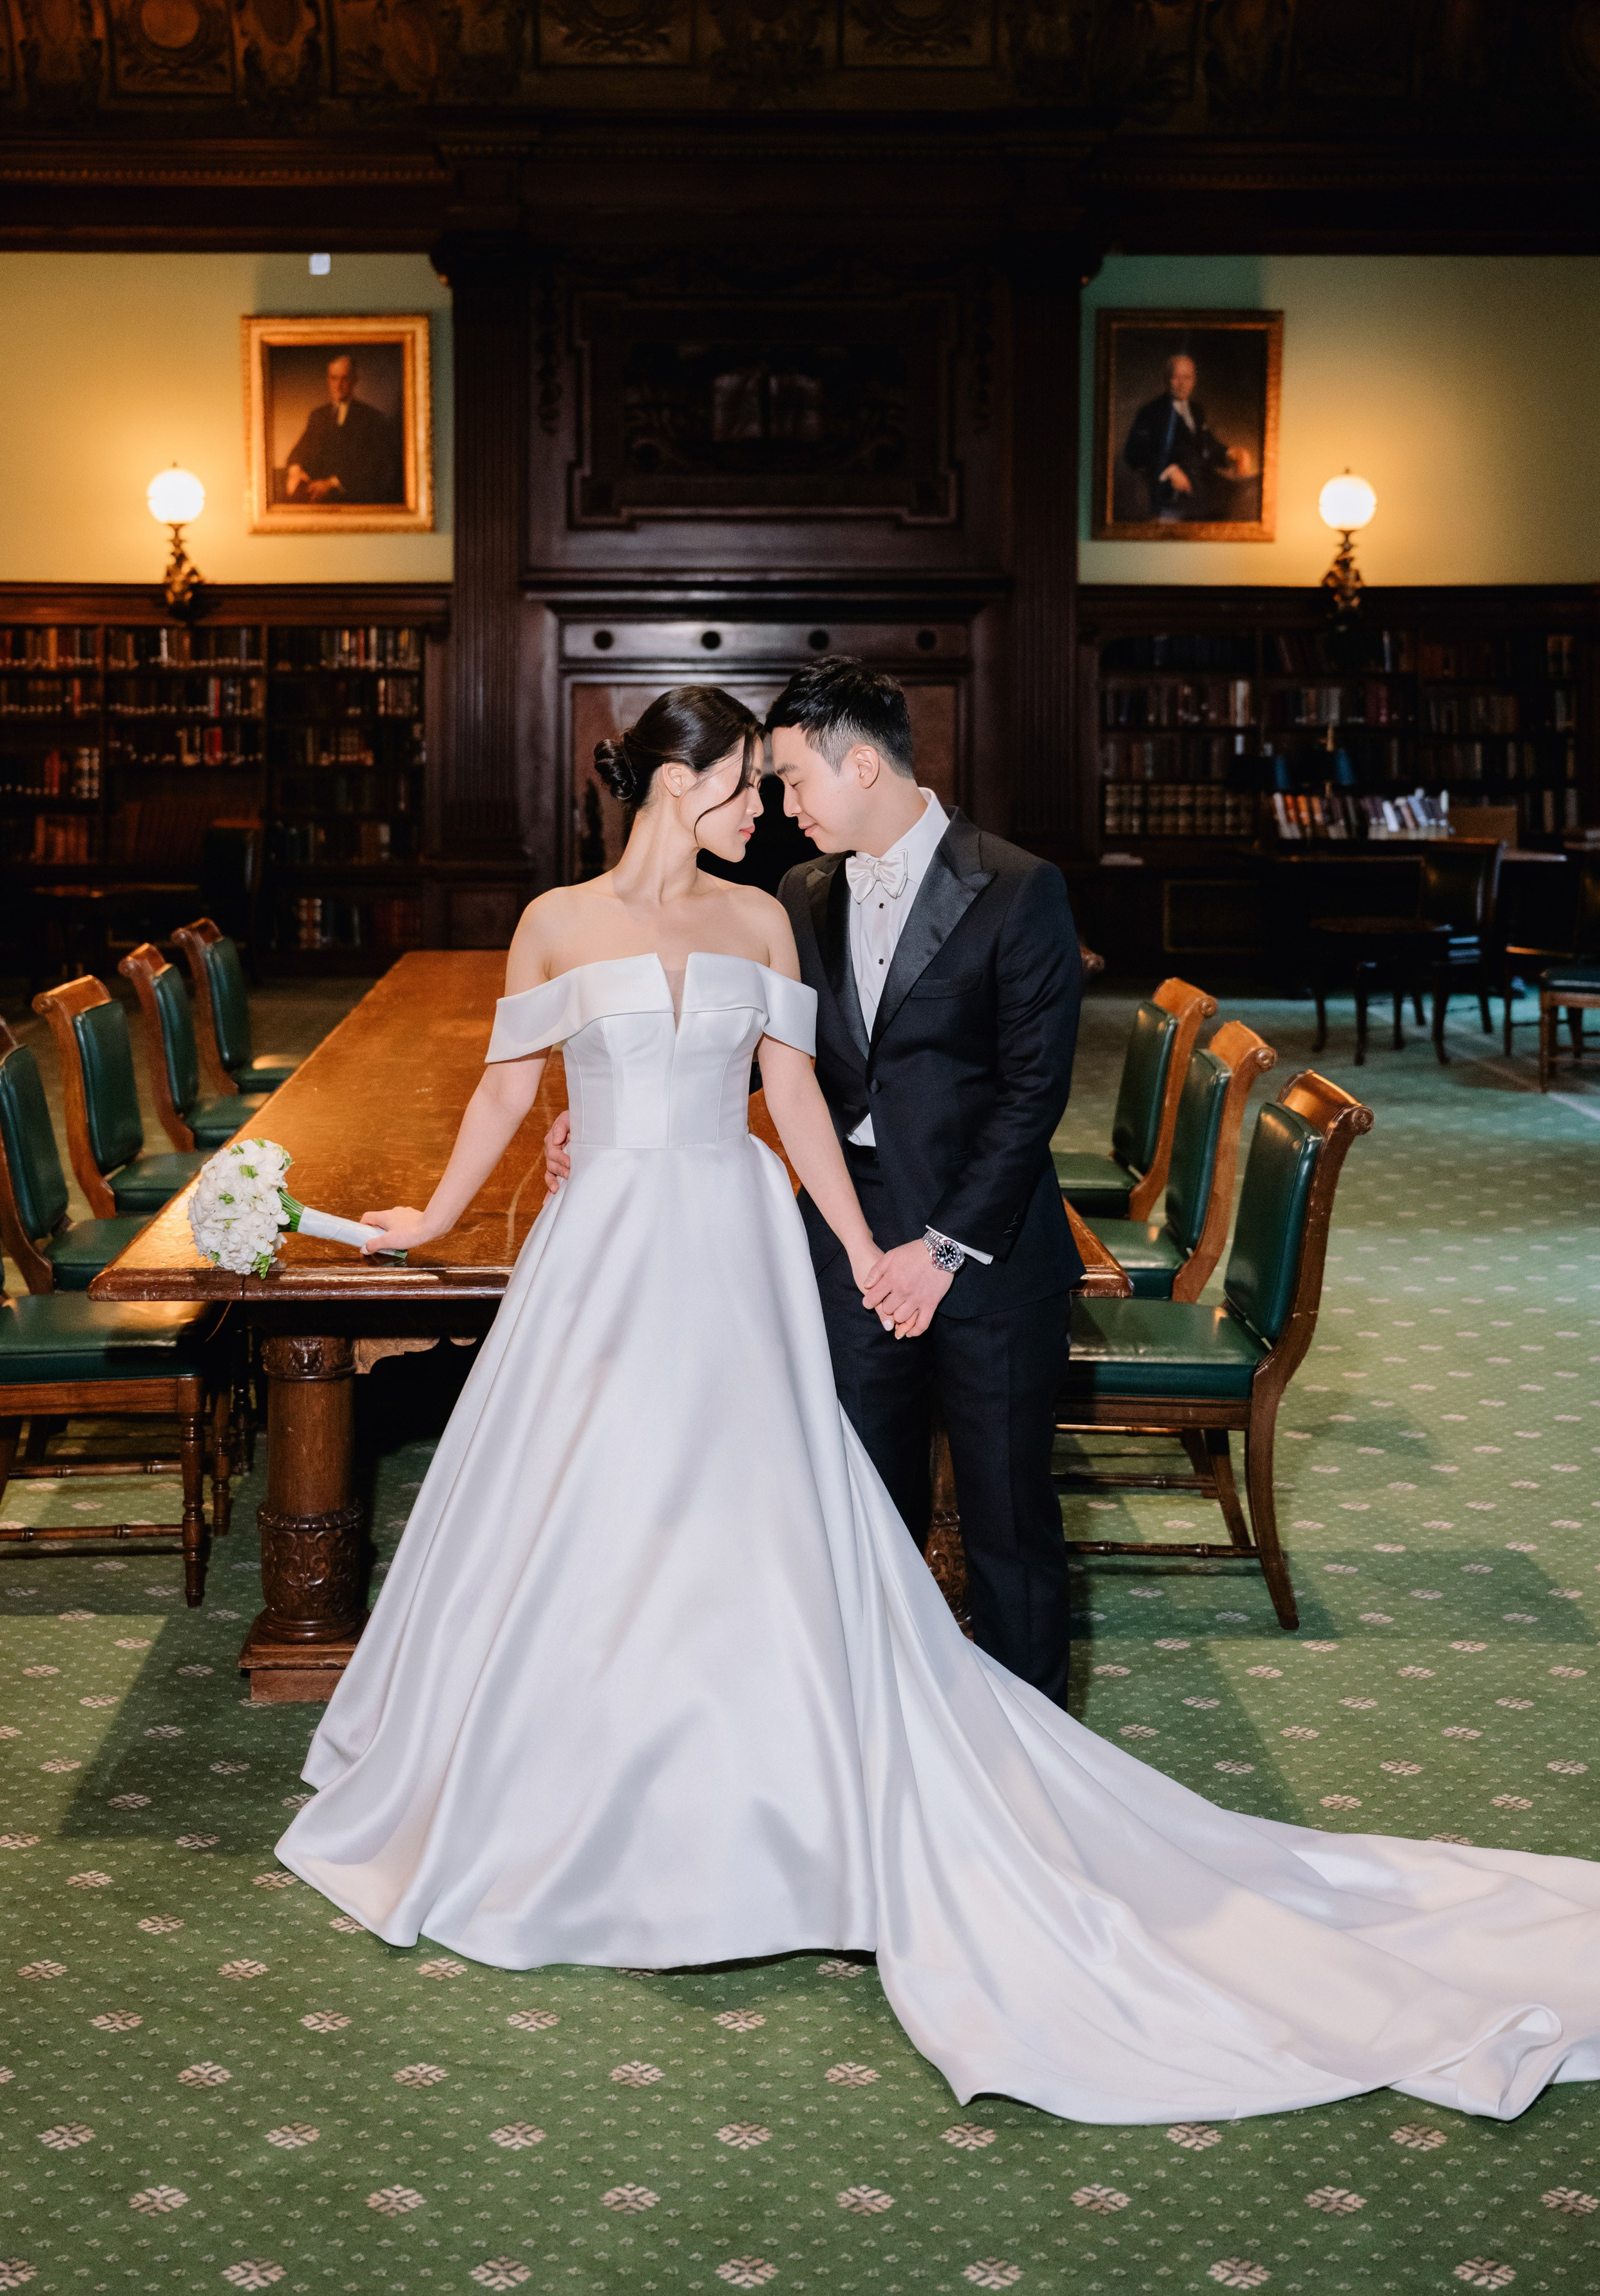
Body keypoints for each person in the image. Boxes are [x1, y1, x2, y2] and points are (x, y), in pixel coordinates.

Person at [277, 682, 1600, 2127]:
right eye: (741, 791)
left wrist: (860, 1252)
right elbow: (502, 1089)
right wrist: (437, 1211)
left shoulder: (764, 916)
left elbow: (792, 1096)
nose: (763, 811)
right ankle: (574, 1802)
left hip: (736, 1239)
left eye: (775, 787)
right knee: (584, 1503)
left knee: (768, 1514)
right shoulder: (559, 919)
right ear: (675, 791)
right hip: (599, 1247)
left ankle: (796, 1795)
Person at [763, 656, 1083, 1707]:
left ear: (862, 764)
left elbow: (1033, 1097)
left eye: (794, 780)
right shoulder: (800, 893)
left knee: (1006, 1515)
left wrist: (943, 1248)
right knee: (859, 1506)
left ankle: (1033, 1751)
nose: (785, 805)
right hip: (849, 1236)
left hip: (984, 1250)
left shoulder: (1021, 886)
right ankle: (881, 1731)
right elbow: (780, 1059)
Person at [1121, 350, 1255, 522]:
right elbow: (1133, 453)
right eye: (1176, 377)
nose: (1182, 384)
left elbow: (1207, 444)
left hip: (1204, 483)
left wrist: (1231, 453)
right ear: (1167, 379)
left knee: (1247, 493)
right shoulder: (1151, 412)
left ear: (1194, 380)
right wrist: (1168, 469)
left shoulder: (1196, 410)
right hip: (1173, 493)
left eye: (1187, 378)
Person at [285, 353, 401, 505]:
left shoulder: (372, 418)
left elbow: (376, 467)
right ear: (328, 380)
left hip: (354, 498)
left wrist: (333, 483)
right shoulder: (319, 415)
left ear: (354, 381)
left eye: (344, 379)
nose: (338, 385)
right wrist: (295, 471)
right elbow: (301, 449)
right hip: (318, 497)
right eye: (334, 378)